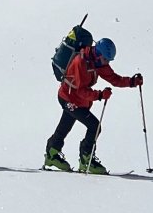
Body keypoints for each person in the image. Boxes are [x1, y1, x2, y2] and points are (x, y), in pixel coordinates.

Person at [44, 36, 141, 174]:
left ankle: (52, 154)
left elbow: (113, 78)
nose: (106, 63)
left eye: (108, 60)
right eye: (105, 59)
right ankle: (86, 159)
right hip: (69, 98)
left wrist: (131, 82)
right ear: (98, 54)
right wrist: (100, 95)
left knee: (66, 125)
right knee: (94, 126)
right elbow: (81, 90)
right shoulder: (80, 63)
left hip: (77, 99)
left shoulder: (98, 62)